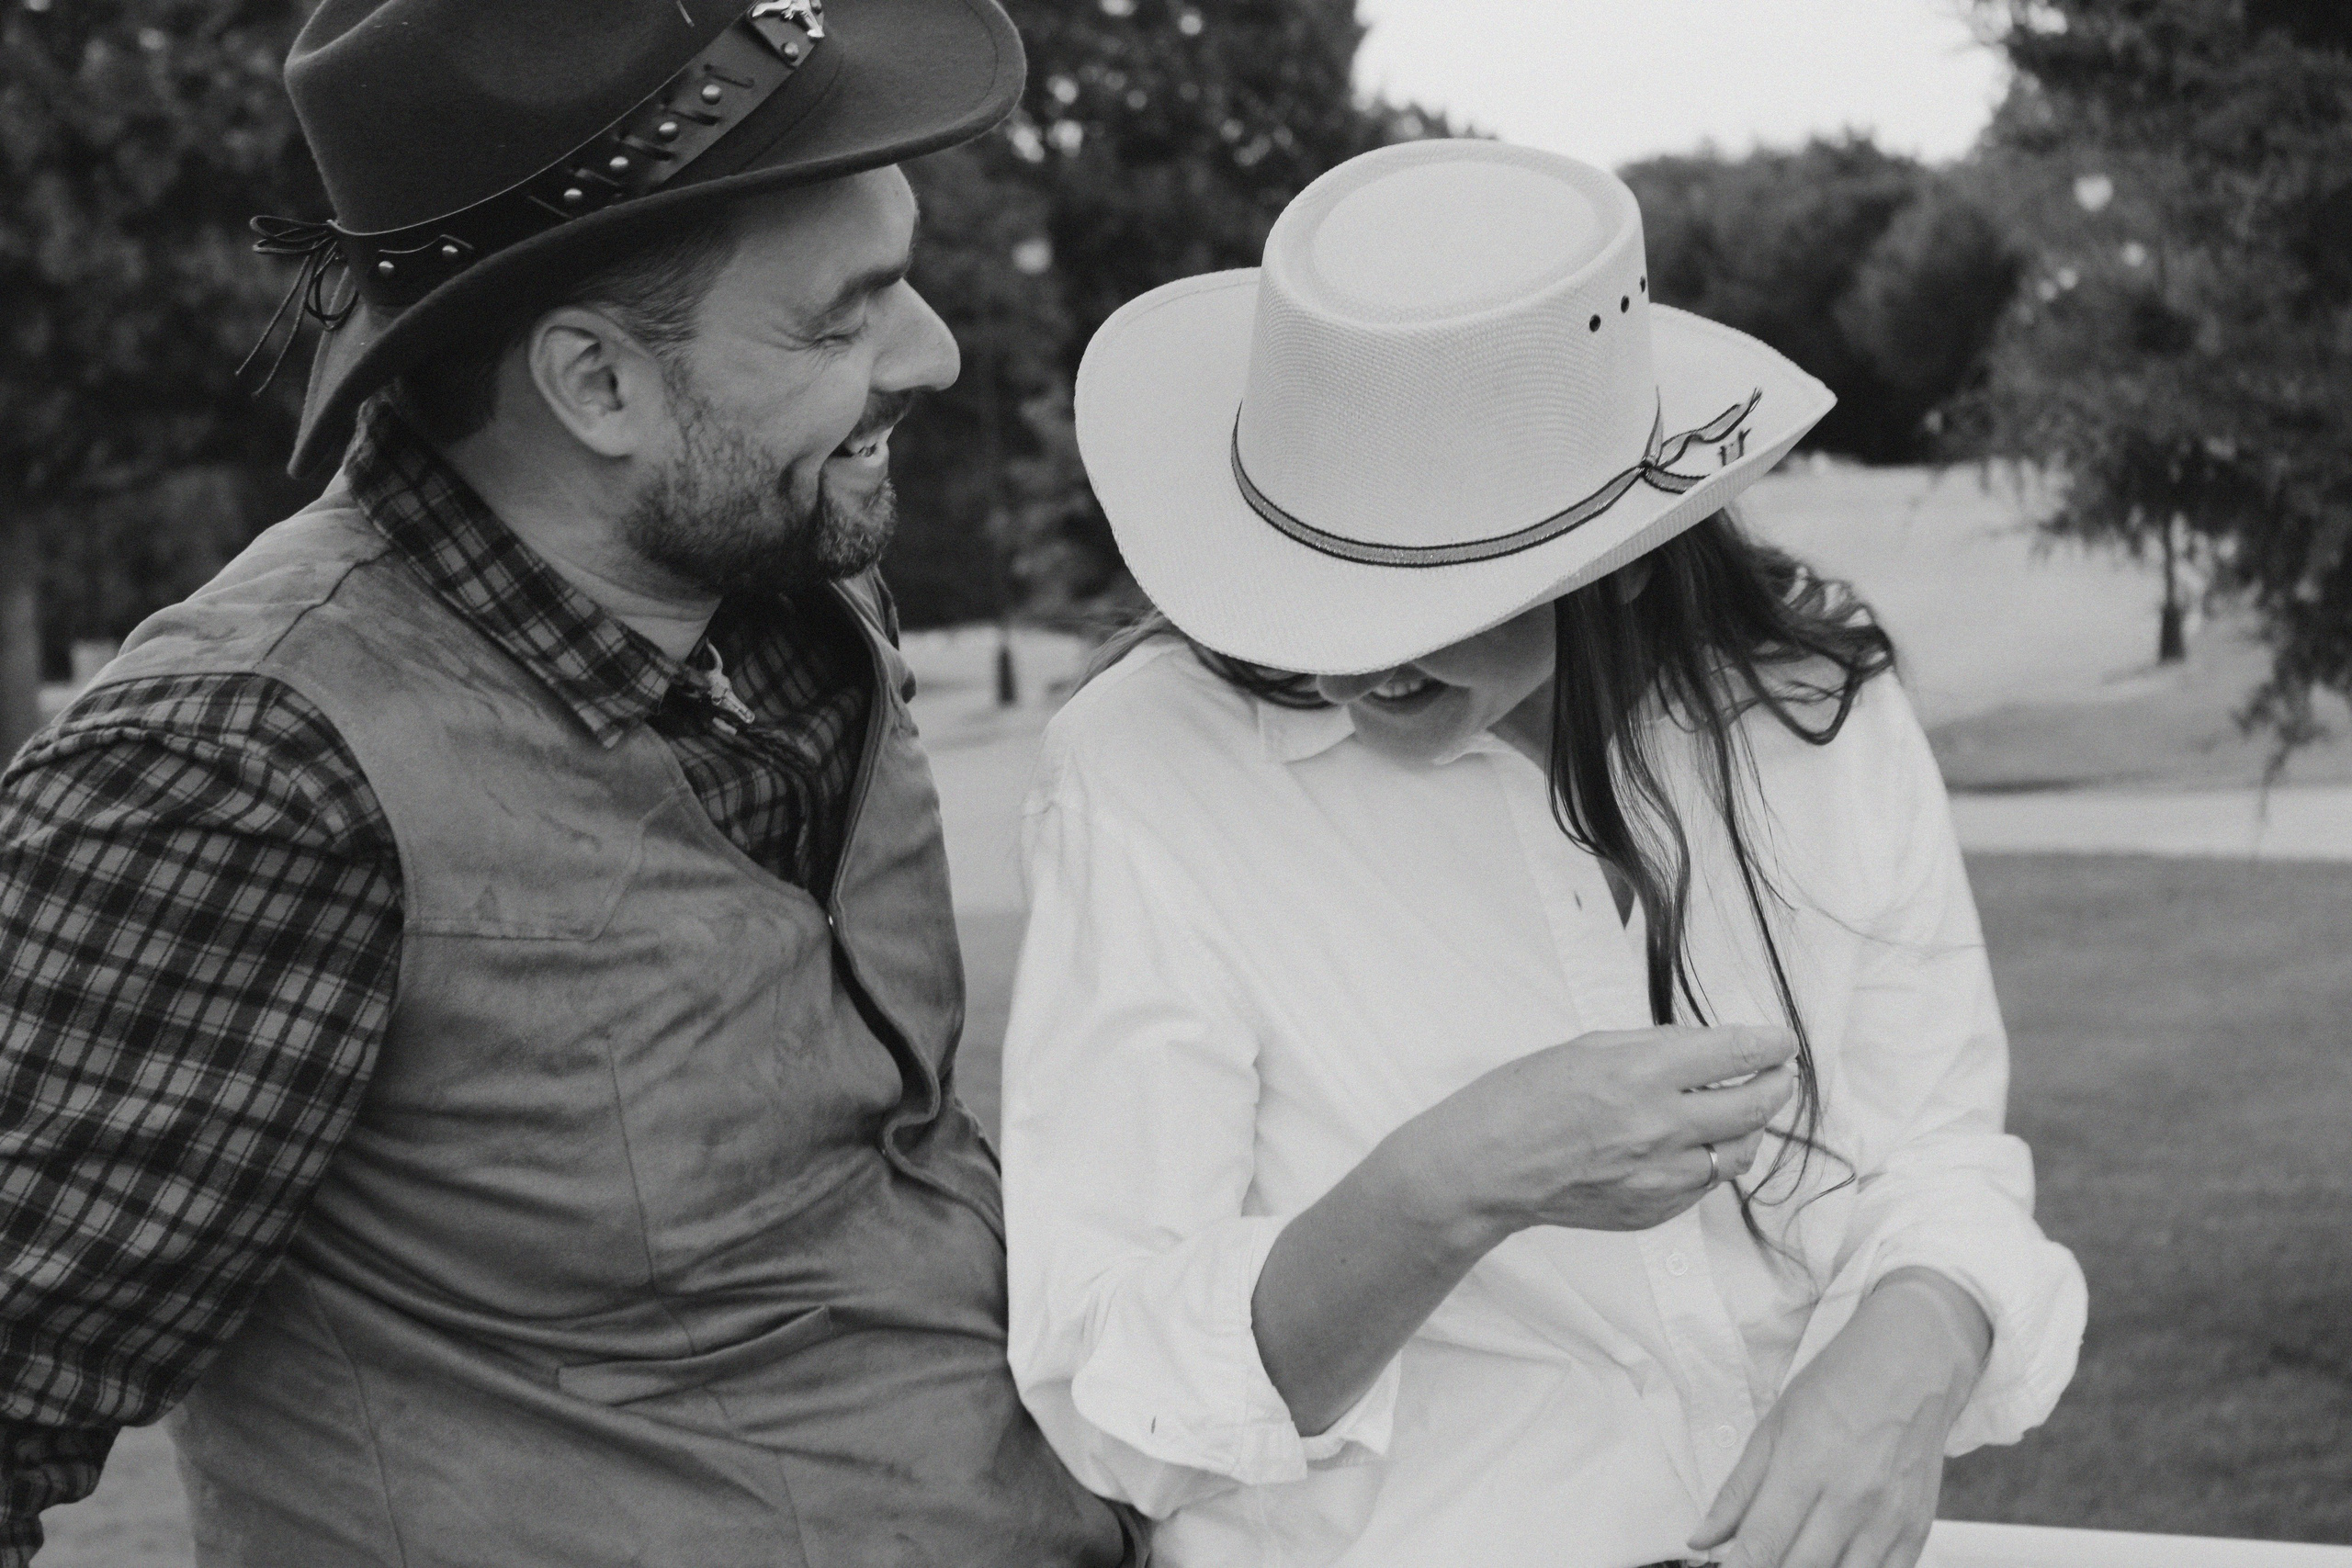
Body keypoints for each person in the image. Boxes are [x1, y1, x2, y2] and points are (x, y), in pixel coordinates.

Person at [0, 2, 1136, 1563]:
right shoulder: (245, 768)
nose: (930, 354)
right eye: (843, 317)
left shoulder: (787, 589)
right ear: (598, 387)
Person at [1001, 140, 2086, 1568]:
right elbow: (1107, 1389)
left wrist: (1920, 1339)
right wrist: (1454, 1180)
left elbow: (1936, 1146)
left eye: (1432, 578)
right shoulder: (1147, 770)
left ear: (1628, 549)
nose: (1348, 649)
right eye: (1316, 571)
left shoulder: (1810, 706)